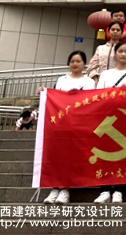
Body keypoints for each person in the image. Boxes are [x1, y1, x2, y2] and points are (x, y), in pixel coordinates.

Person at [41, 51, 95, 204]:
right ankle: (54, 188)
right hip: (60, 124)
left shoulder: (90, 82)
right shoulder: (61, 80)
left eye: (78, 61)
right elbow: (55, 98)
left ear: (84, 64)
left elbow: (91, 102)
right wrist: (44, 92)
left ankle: (65, 189)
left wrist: (77, 95)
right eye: (72, 61)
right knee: (57, 156)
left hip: (78, 125)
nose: (75, 64)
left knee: (70, 157)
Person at [94, 41, 126, 204]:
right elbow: (98, 96)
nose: (123, 54)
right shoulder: (106, 74)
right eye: (120, 51)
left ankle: (119, 190)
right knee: (106, 155)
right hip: (107, 118)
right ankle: (104, 190)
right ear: (115, 53)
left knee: (123, 156)